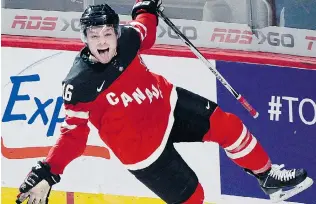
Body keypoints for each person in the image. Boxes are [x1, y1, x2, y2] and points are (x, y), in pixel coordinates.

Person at [16, 1, 313, 204]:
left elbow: (146, 24)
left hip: (168, 104)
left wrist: (146, 6)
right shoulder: (79, 83)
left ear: (116, 33)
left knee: (230, 126)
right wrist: (49, 170)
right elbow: (74, 135)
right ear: (85, 39)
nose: (103, 41)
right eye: (95, 36)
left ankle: (267, 177)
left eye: (108, 33)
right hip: (143, 150)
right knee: (195, 197)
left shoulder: (129, 40)